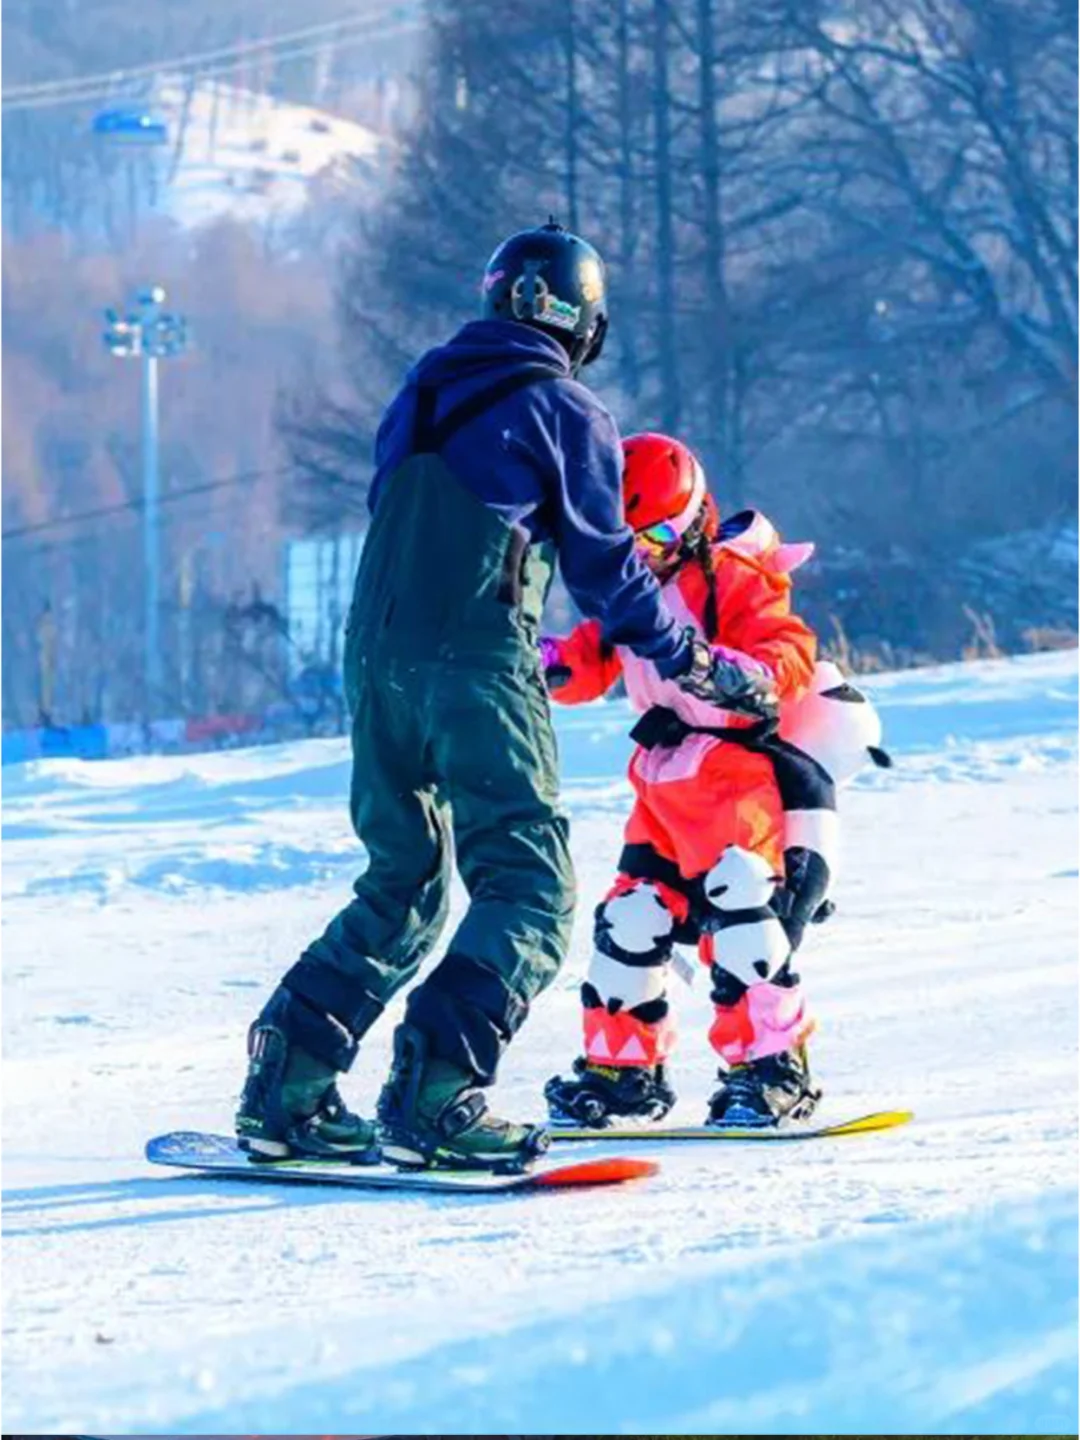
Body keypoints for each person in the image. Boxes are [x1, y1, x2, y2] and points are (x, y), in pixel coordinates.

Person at [235, 224, 747, 1170]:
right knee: (532, 889)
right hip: (475, 657)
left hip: (373, 656)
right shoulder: (566, 408)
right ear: (581, 319)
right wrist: (690, 657)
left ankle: (289, 1087)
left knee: (406, 879)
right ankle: (436, 1095)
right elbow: (606, 570)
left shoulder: (419, 392)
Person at [542, 432, 888, 1129]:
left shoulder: (733, 574)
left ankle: (771, 1071)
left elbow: (787, 647)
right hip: (662, 788)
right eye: (636, 538)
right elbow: (590, 660)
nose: (653, 549)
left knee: (742, 912)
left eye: (665, 531)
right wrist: (541, 661)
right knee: (630, 917)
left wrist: (735, 673)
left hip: (736, 773)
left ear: (698, 516)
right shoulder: (629, 588)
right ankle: (621, 1072)